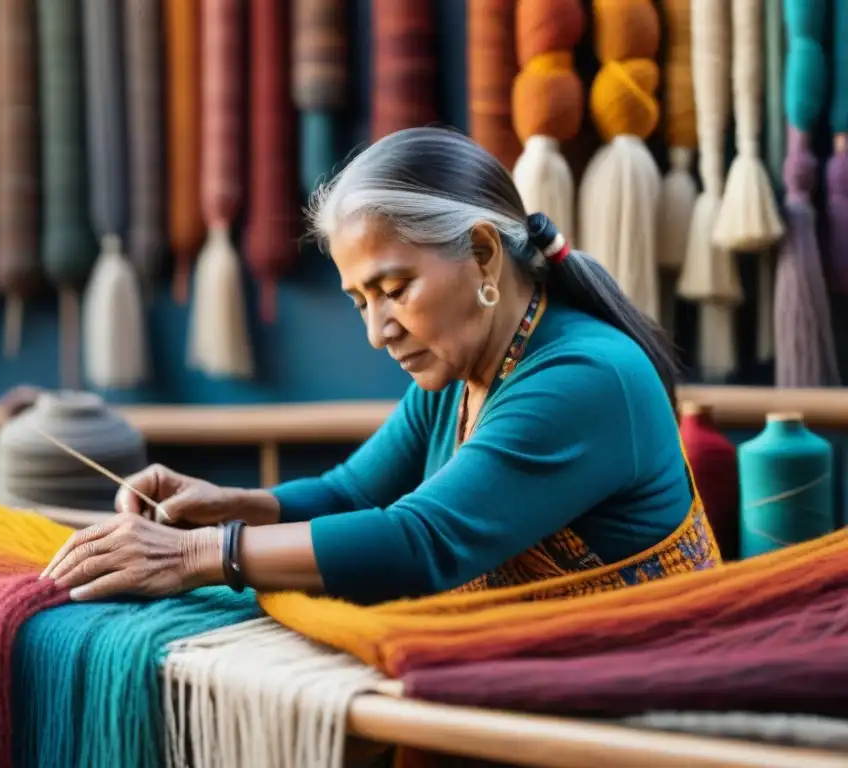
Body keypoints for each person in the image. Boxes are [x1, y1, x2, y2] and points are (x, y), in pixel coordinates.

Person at [41, 127, 721, 605]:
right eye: (359, 299)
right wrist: (234, 505)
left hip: (638, 719)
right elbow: (352, 495)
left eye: (394, 289)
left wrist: (199, 555)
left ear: (483, 255)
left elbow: (421, 542)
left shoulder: (584, 377)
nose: (377, 331)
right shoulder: (465, 370)